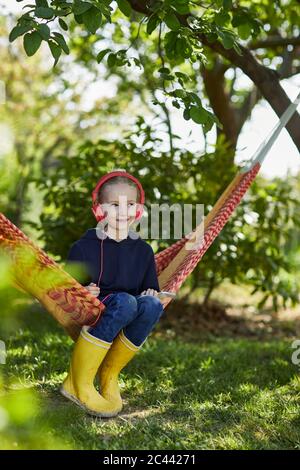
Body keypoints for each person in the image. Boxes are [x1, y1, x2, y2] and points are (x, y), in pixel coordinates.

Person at [60, 169, 164, 417]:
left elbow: (149, 289)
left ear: (138, 210)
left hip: (128, 311)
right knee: (126, 302)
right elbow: (66, 289)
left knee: (151, 305)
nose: (123, 211)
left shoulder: (143, 251)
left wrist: (151, 293)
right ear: (99, 210)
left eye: (130, 205)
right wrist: (83, 291)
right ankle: (77, 382)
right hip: (95, 313)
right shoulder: (83, 247)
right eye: (114, 205)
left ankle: (109, 375)